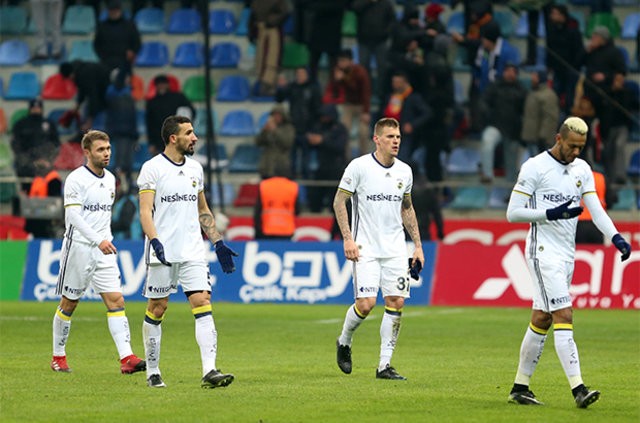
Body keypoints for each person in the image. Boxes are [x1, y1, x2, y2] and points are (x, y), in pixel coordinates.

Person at [505, 116, 632, 408]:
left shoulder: (582, 169)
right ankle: (579, 389)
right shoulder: (535, 167)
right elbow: (513, 213)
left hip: (567, 254)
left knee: (542, 317)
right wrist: (549, 214)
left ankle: (519, 387)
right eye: (572, 146)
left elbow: (596, 210)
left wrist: (616, 237)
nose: (576, 152)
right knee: (564, 314)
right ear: (558, 138)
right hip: (542, 252)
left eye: (581, 147)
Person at [137, 115, 239, 389]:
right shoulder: (152, 168)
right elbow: (145, 210)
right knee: (158, 308)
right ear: (173, 138)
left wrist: (217, 241)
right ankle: (153, 370)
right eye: (189, 133)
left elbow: (202, 210)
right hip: (163, 252)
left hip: (193, 250)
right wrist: (154, 239)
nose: (195, 138)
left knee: (203, 302)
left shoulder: (196, 169)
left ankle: (210, 370)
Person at [333, 117, 425, 380]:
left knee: (396, 302)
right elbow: (339, 202)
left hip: (396, 248)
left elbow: (406, 207)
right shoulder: (359, 167)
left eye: (397, 137)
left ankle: (384, 365)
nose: (395, 141)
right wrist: (348, 239)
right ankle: (345, 340)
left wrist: (417, 246)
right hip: (366, 247)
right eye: (390, 137)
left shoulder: (405, 171)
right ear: (377, 139)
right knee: (365, 304)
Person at [51, 130, 145, 374]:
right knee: (69, 303)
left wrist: (103, 242)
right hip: (79, 248)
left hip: (104, 250)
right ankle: (58, 357)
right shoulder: (75, 179)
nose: (107, 154)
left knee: (116, 301)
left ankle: (127, 358)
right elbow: (73, 217)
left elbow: (102, 217)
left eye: (108, 149)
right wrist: (97, 240)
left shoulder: (110, 179)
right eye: (101, 150)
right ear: (87, 152)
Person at [479, 63, 527, 184]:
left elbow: (526, 111)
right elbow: (483, 101)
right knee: (487, 141)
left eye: (513, 71)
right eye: (508, 71)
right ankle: (487, 174)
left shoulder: (522, 90)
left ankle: (509, 193)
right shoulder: (495, 86)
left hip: (513, 130)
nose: (510, 74)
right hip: (496, 125)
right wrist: (487, 115)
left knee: (511, 163)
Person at [275, 67, 322, 178]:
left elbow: (317, 109)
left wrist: (315, 128)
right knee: (292, 159)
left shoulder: (313, 89)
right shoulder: (292, 87)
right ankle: (291, 180)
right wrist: (280, 88)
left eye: (302, 74)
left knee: (306, 160)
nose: (300, 76)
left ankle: (306, 183)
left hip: (308, 128)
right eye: (298, 74)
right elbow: (279, 99)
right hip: (293, 128)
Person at [10, 98, 60, 192]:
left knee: (53, 180)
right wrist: (31, 161)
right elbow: (16, 145)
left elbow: (56, 144)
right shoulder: (20, 124)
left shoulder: (49, 124)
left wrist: (47, 159)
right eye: (34, 107)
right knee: (25, 173)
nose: (36, 109)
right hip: (26, 165)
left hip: (45, 163)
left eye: (38, 107)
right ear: (30, 109)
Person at [306, 104, 349, 213]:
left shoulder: (340, 129)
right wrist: (311, 141)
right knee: (315, 196)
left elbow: (339, 147)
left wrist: (323, 141)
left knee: (334, 199)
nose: (323, 118)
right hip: (321, 166)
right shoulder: (318, 127)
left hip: (336, 168)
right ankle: (315, 213)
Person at [145, 74, 195, 156]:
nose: (161, 86)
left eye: (163, 84)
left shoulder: (178, 97)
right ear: (156, 86)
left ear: (167, 85)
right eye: (159, 84)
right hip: (159, 140)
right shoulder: (152, 102)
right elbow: (149, 124)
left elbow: (190, 111)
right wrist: (152, 143)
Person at [249, 0, 291, 96]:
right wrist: (252, 31)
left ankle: (269, 85)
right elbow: (253, 15)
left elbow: (285, 12)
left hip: (273, 31)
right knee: (261, 59)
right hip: (261, 31)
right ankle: (264, 85)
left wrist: (271, 21)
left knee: (272, 58)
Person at [59, 60, 111, 131]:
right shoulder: (78, 71)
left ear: (71, 75)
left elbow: (93, 97)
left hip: (105, 88)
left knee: (98, 110)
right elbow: (82, 90)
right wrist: (77, 106)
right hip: (99, 87)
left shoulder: (85, 75)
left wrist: (89, 122)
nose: (70, 81)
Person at [253, 162, 299, 240]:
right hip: (286, 230)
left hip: (267, 229)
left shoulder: (264, 185)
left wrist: (257, 231)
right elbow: (297, 210)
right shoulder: (293, 186)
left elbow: (257, 211)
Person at [93, 0, 142, 73]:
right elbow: (97, 43)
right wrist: (102, 56)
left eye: (116, 10)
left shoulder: (130, 25)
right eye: (111, 10)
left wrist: (133, 52)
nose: (113, 12)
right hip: (106, 61)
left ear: (120, 10)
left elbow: (137, 42)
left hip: (125, 60)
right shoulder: (102, 26)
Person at [255, 105, 295, 179]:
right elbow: (258, 142)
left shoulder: (288, 128)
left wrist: (275, 130)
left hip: (281, 165)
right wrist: (264, 131)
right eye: (274, 115)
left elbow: (287, 143)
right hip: (267, 165)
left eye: (278, 115)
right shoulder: (268, 128)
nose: (276, 117)